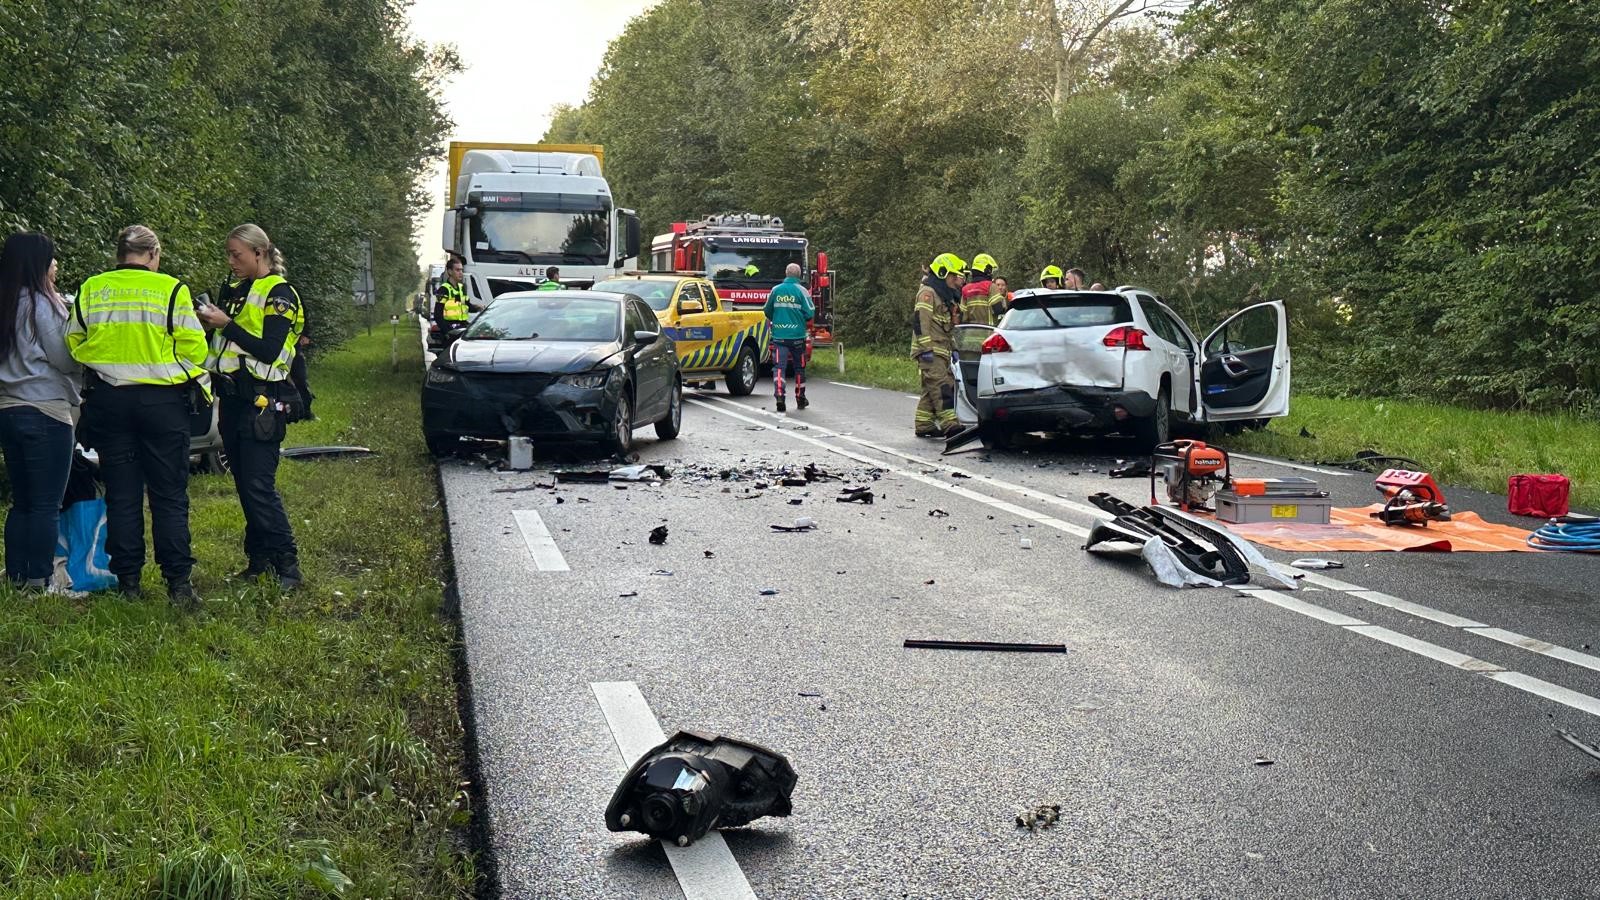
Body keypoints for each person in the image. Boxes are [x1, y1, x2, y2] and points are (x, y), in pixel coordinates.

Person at [67, 225, 207, 605]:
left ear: (119, 254)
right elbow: (195, 348)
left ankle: (128, 582)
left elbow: (73, 341)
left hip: (110, 401)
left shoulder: (93, 288)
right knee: (169, 495)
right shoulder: (172, 289)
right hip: (162, 404)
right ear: (154, 254)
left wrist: (107, 363)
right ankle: (178, 583)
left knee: (122, 494)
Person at [197, 223, 305, 590]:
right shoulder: (236, 290)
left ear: (259, 253)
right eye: (228, 254)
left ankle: (288, 565)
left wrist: (225, 325)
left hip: (262, 400)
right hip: (231, 399)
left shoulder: (280, 293)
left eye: (237, 255)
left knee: (259, 486)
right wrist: (210, 323)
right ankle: (259, 561)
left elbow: (269, 349)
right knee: (244, 484)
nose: (231, 262)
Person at [0, 232, 80, 592]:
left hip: (7, 409)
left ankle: (14, 576)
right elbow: (64, 357)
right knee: (46, 504)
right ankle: (39, 580)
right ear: (38, 264)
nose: (56, 265)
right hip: (45, 410)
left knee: (22, 501)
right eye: (52, 259)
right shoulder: (41, 305)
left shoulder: (5, 303)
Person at [911, 253, 964, 438]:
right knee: (942, 386)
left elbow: (946, 328)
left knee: (930, 388)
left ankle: (923, 423)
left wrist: (955, 348)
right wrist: (925, 349)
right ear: (942, 274)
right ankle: (950, 424)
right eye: (953, 276)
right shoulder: (928, 293)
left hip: (941, 351)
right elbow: (920, 322)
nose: (956, 280)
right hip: (930, 351)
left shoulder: (943, 296)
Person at [761, 262, 815, 413]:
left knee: (779, 368)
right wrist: (798, 320)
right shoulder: (802, 291)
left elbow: (767, 310)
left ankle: (779, 396)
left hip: (779, 337)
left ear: (786, 273)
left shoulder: (776, 290)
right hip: (798, 337)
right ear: (799, 275)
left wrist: (777, 320)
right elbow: (810, 312)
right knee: (799, 368)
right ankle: (800, 398)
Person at [960, 253, 1003, 326]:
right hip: (988, 332)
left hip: (970, 334)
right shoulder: (991, 286)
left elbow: (963, 316)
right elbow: (998, 309)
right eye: (991, 270)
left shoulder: (965, 289)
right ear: (987, 270)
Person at [433, 257, 469, 334]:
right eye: (457, 270)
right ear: (450, 271)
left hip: (462, 327)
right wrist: (447, 332)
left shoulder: (461, 288)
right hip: (450, 330)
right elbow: (437, 315)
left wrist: (478, 307)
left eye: (461, 270)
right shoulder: (444, 289)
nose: (461, 273)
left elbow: (464, 305)